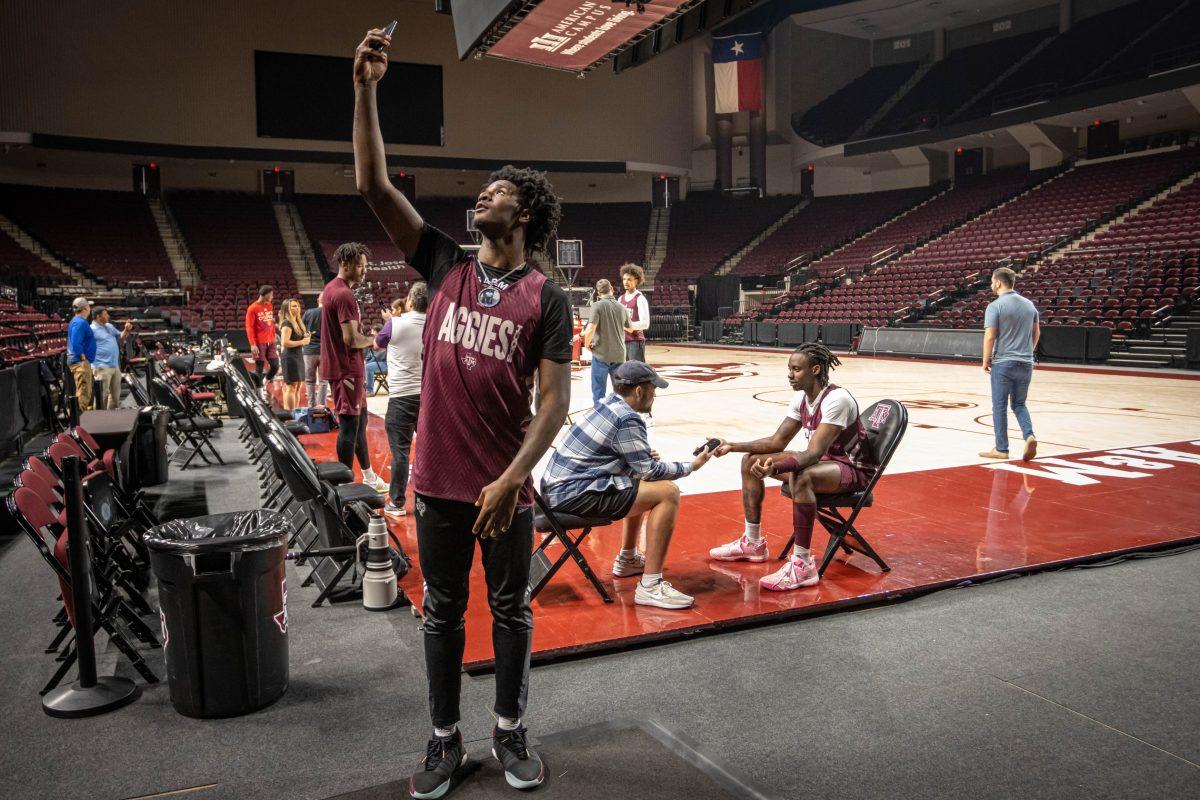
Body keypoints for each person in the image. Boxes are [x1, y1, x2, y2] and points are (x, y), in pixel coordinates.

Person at [354, 26, 572, 797]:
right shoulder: (444, 261)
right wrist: (367, 87)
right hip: (439, 479)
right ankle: (443, 739)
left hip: (502, 488)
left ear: (525, 215)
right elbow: (375, 190)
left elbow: (554, 405)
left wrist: (514, 480)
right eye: (484, 188)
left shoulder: (548, 298)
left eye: (499, 190)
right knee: (441, 613)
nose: (483, 193)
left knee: (510, 609)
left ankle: (509, 730)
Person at [541, 361, 713, 608]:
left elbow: (629, 463)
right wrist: (692, 466)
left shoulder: (607, 406)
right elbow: (651, 471)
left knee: (639, 479)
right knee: (667, 492)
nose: (655, 394)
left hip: (557, 491)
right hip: (572, 495)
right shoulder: (628, 419)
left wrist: (639, 460)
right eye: (653, 389)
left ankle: (628, 559)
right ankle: (651, 586)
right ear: (640, 391)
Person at [708, 343, 877, 591]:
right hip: (824, 465)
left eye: (796, 369)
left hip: (852, 469)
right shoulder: (801, 399)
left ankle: (803, 564)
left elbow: (812, 454)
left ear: (816, 369)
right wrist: (732, 446)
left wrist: (775, 469)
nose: (790, 375)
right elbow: (778, 441)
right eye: (789, 369)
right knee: (750, 461)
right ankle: (753, 543)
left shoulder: (836, 400)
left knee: (802, 476)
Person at [320, 243, 385, 492]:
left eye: (365, 266)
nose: (364, 270)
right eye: (360, 265)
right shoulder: (344, 294)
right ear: (345, 265)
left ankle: (368, 475)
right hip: (346, 368)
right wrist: (376, 341)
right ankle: (343, 487)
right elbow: (350, 339)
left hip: (347, 366)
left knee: (361, 421)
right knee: (348, 426)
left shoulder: (333, 289)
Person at [375, 285, 427, 517]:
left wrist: (391, 320)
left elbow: (378, 343)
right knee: (429, 449)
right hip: (428, 396)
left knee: (401, 452)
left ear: (410, 301)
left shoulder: (395, 323)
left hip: (402, 396)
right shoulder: (435, 323)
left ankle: (396, 502)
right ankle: (430, 498)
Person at [980, 266, 1039, 462]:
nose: (991, 284)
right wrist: (1028, 352)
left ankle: (1001, 448)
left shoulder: (995, 306)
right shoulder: (1030, 305)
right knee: (1019, 403)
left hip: (1004, 363)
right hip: (1026, 363)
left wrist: (985, 359)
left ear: (998, 282)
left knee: (999, 406)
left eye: (991, 281)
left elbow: (990, 336)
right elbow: (1036, 333)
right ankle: (1029, 435)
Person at [582, 278, 630, 407]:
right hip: (619, 354)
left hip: (601, 354)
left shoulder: (597, 305)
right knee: (620, 391)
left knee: (599, 392)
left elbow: (591, 328)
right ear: (612, 289)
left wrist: (586, 344)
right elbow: (630, 327)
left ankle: (600, 416)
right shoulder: (622, 307)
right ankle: (621, 417)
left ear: (598, 294)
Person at [90, 307, 132, 410]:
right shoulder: (91, 329)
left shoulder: (109, 326)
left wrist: (126, 330)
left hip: (114, 365)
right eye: (105, 314)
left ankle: (111, 418)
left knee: (115, 395)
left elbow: (121, 336)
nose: (108, 316)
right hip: (101, 366)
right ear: (98, 317)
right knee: (102, 395)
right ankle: (98, 419)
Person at [245, 285, 278, 401]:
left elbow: (268, 320)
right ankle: (259, 392)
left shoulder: (269, 305)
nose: (272, 296)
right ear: (265, 294)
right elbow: (249, 327)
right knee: (259, 367)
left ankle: (264, 381)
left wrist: (274, 326)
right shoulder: (252, 308)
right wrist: (252, 344)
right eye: (271, 294)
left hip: (271, 341)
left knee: (275, 366)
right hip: (259, 342)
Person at [278, 299, 311, 412]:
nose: (296, 308)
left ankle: (295, 413)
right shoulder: (287, 323)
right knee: (291, 387)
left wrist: (306, 337)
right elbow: (284, 342)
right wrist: (302, 342)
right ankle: (290, 414)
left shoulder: (297, 322)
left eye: (297, 306)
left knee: (297, 387)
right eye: (293, 306)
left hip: (298, 356)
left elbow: (299, 339)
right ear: (287, 309)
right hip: (289, 357)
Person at [66, 297, 96, 412]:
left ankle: (79, 420)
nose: (90, 308)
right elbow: (75, 342)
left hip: (79, 361)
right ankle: (78, 422)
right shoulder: (80, 322)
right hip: (80, 362)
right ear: (85, 308)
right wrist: (82, 358)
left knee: (84, 391)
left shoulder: (78, 321)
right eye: (88, 306)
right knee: (83, 392)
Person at [619, 263, 650, 363]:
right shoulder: (620, 299)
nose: (626, 282)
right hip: (623, 341)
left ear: (636, 281)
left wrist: (627, 326)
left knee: (637, 373)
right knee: (624, 373)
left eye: (629, 279)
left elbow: (645, 324)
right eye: (624, 279)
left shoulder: (640, 298)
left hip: (635, 341)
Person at [301, 297, 328, 407]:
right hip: (324, 351)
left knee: (309, 380)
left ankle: (311, 405)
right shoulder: (330, 314)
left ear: (317, 300)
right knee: (323, 381)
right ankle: (321, 406)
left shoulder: (308, 313)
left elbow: (301, 330)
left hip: (309, 351)